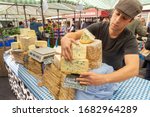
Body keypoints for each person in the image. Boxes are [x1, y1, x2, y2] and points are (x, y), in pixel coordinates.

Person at [61, 0, 142, 86]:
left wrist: (104, 79)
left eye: (124, 18)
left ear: (130, 21)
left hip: (111, 77)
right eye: (117, 14)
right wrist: (65, 38)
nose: (117, 20)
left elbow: (133, 68)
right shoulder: (99, 27)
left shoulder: (129, 39)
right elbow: (74, 35)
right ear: (113, 12)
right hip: (91, 71)